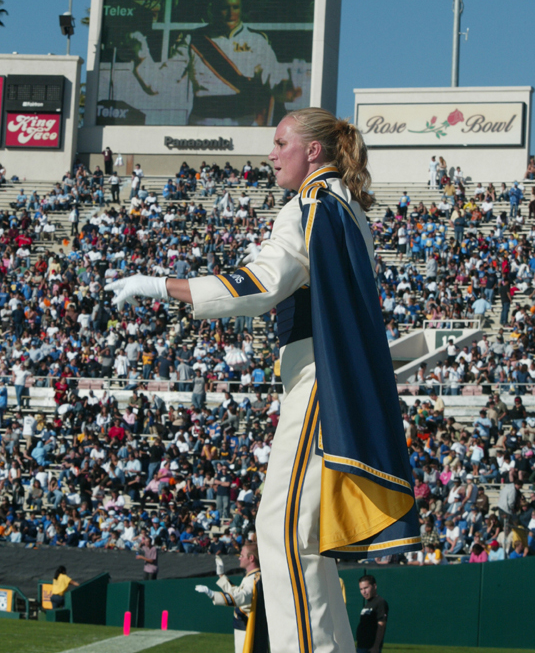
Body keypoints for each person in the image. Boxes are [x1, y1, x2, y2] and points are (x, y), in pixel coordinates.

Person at [106, 107, 420, 653]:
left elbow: (261, 283)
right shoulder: (342, 207)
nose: (270, 153)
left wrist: (161, 284)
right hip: (329, 378)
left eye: (280, 142)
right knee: (298, 539)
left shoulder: (311, 204)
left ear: (313, 151)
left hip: (321, 382)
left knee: (285, 535)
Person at [181, 0, 301, 127]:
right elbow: (162, 79)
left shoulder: (257, 40)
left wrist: (285, 88)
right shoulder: (193, 39)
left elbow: (273, 76)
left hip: (244, 122)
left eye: (235, 7)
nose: (231, 13)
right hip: (204, 123)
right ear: (213, 9)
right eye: (225, 8)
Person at [195, 543, 268, 653]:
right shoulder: (252, 577)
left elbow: (241, 597)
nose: (239, 558)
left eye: (242, 556)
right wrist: (221, 575)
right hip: (244, 627)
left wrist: (213, 594)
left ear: (251, 558)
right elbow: (237, 592)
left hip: (249, 629)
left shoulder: (255, 578)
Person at [355, 574, 388, 653]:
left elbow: (381, 625)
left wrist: (376, 646)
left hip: (370, 648)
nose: (364, 591)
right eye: (361, 589)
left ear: (374, 586)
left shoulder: (380, 602)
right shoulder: (368, 604)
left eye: (366, 588)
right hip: (361, 645)